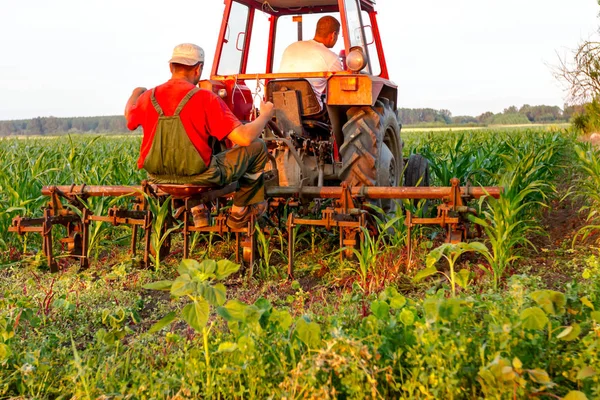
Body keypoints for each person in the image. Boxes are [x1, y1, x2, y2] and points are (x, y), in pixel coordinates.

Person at [125, 43, 275, 229]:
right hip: (200, 177)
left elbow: (129, 118)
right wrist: (265, 115)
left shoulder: (147, 97)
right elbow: (244, 138)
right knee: (257, 147)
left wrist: (135, 93)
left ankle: (198, 208)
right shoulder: (205, 98)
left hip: (158, 179)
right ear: (198, 69)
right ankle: (239, 211)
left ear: (171, 67)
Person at [278, 15, 343, 101]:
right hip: (310, 110)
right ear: (333, 35)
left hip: (279, 103)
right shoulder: (332, 57)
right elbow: (341, 88)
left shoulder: (291, 47)